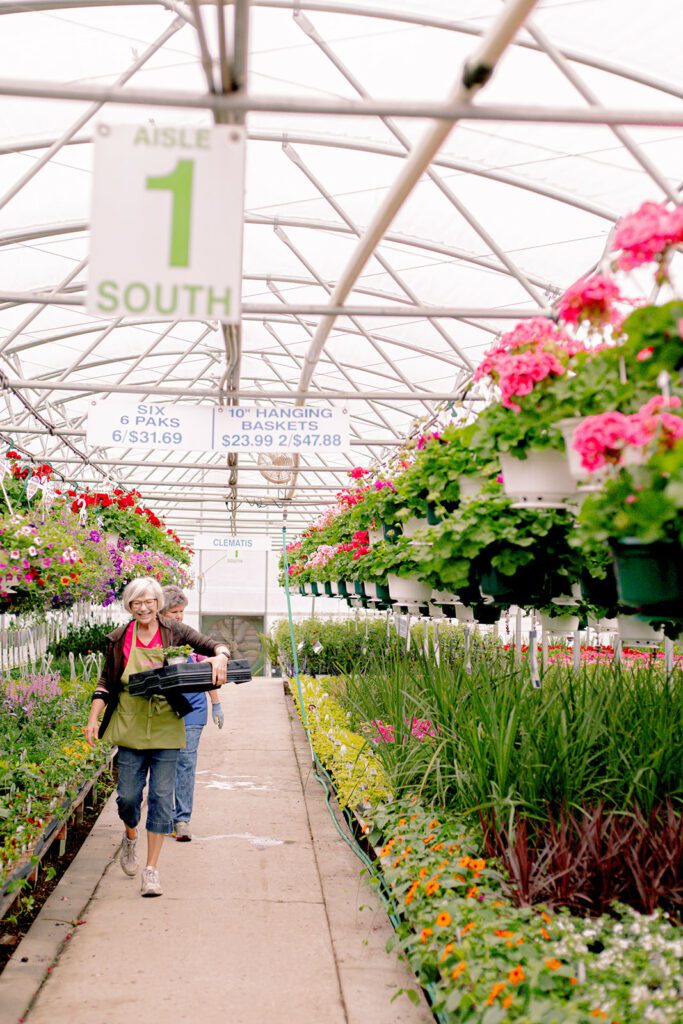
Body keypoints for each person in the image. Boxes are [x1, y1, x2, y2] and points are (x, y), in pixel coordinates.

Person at [85, 576, 230, 897]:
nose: (144, 608)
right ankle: (131, 835)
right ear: (129, 606)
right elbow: (105, 683)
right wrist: (93, 719)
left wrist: (221, 655)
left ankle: (151, 870)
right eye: (137, 603)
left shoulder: (173, 631)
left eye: (150, 601)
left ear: (158, 603)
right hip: (130, 725)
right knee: (127, 798)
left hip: (166, 725)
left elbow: (211, 644)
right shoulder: (120, 637)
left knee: (162, 799)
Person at [160, 585, 225, 842]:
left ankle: (182, 819)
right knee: (165, 762)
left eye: (182, 611)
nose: (179, 616)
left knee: (186, 762)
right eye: (174, 611)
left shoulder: (188, 638)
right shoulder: (150, 638)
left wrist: (216, 704)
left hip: (192, 708)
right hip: (163, 709)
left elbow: (209, 670)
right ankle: (164, 817)